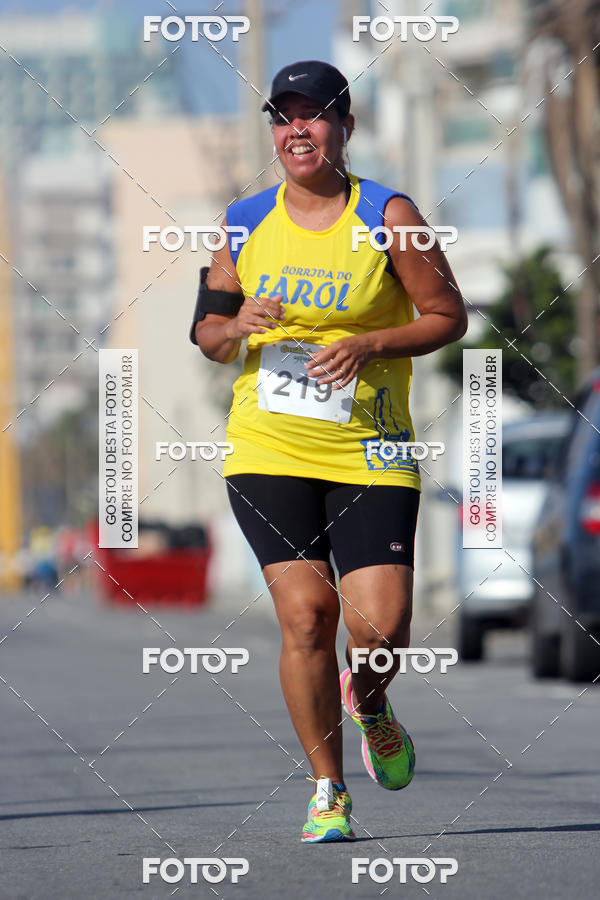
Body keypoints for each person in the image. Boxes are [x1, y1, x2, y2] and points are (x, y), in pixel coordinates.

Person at [191, 60, 467, 843]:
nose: (297, 129)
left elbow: (448, 315)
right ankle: (328, 790)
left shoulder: (389, 213)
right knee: (308, 620)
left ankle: (372, 701)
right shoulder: (243, 220)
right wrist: (235, 325)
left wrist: (371, 339)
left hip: (372, 450)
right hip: (268, 447)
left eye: (314, 116)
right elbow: (206, 333)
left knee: (378, 632)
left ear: (345, 127)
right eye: (284, 117)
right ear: (274, 132)